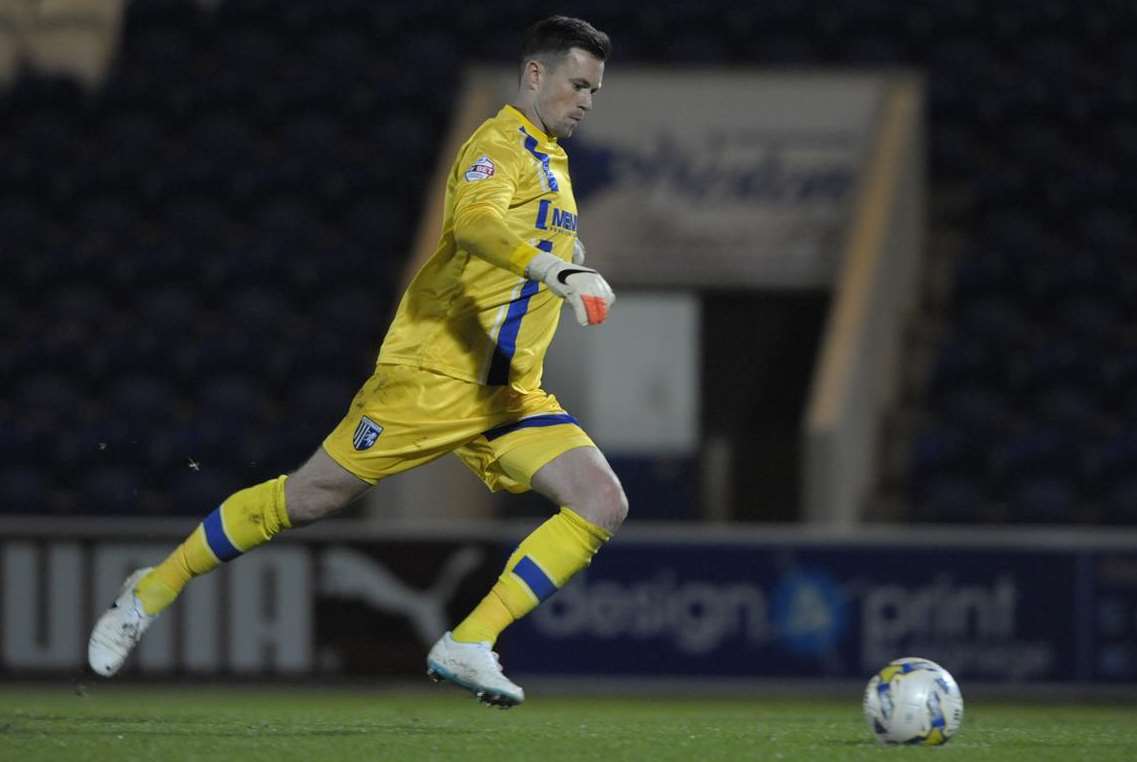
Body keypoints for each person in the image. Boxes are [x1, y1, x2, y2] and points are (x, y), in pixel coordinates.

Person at [88, 15, 624, 708]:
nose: (584, 99)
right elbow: (475, 225)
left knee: (601, 500)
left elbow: (514, 248)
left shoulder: (552, 159)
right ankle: (151, 589)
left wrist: (568, 264)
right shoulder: (496, 145)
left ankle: (467, 642)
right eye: (576, 84)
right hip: (432, 377)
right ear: (534, 74)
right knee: (310, 498)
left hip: (507, 395)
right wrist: (557, 271)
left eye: (594, 90)